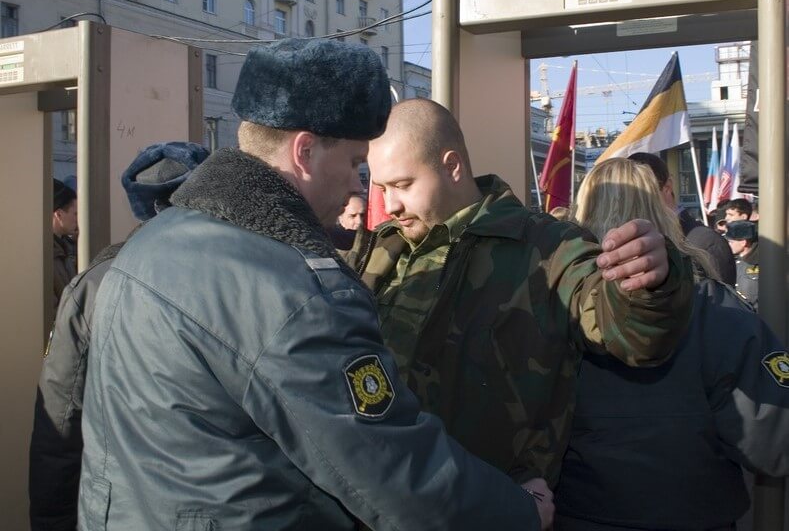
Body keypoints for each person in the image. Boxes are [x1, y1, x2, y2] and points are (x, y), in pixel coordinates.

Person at [78, 39, 551, 531]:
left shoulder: (150, 244)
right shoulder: (294, 290)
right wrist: (519, 511)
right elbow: (393, 472)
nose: (359, 188)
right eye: (354, 164)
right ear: (304, 151)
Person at [356, 98, 694, 489]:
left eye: (402, 185)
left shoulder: (548, 247)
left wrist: (652, 284)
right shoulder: (379, 250)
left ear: (452, 166)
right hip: (381, 497)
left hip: (490, 507)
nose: (390, 205)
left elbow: (628, 331)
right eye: (380, 187)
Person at [555, 158, 789, 531]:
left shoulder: (554, 306)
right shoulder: (715, 306)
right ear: (661, 211)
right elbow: (773, 441)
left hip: (578, 512)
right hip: (696, 514)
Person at [29, 142, 209, 531]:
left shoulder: (93, 285)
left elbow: (59, 420)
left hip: (116, 507)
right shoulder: (242, 283)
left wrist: (52, 520)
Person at [628, 152, 735, 285]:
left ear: (667, 187)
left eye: (641, 193)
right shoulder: (636, 243)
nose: (633, 201)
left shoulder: (706, 243)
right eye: (627, 195)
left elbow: (720, 301)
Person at [52, 179, 78, 310]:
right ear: (59, 214)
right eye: (75, 213)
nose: (78, 219)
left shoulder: (67, 247)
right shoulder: (46, 255)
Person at [726, 219, 759, 311]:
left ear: (743, 242)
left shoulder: (761, 262)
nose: (728, 245)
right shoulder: (731, 259)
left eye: (731, 242)